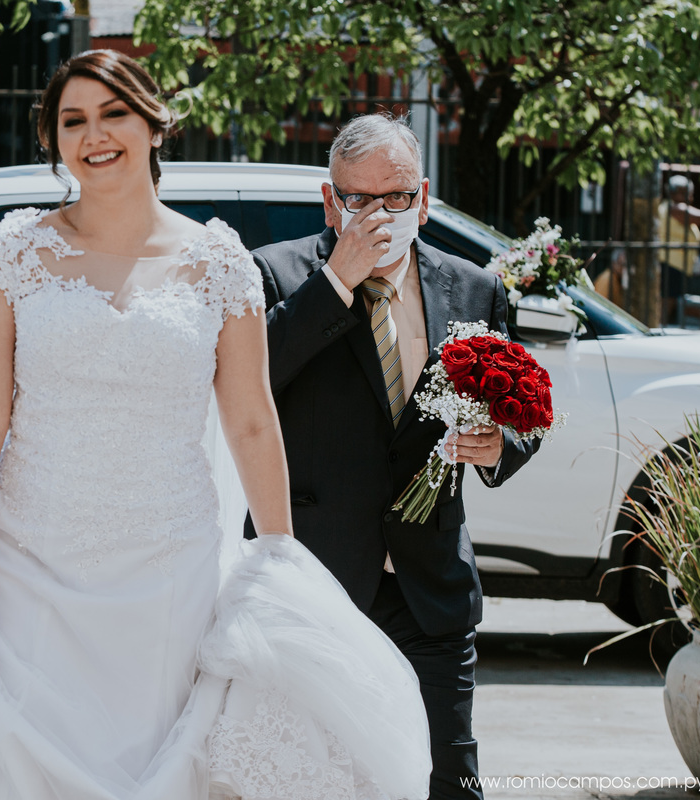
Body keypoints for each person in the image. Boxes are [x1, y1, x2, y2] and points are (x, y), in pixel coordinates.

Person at [0, 52, 430, 800]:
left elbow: (251, 421)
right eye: (73, 121)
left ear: (154, 125)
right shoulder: (9, 257)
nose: (94, 135)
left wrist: (279, 560)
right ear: (54, 140)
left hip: (171, 574)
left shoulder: (219, 263)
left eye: (114, 114)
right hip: (28, 568)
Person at [251, 113, 538, 800]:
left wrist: (499, 445)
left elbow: (522, 412)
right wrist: (336, 282)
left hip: (429, 586)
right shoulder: (276, 274)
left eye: (398, 197)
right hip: (316, 585)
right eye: (359, 199)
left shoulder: (474, 289)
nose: (380, 214)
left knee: (449, 781)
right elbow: (251, 387)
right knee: (320, 781)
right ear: (331, 202)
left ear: (424, 198)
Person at [657, 174, 700, 323]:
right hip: (671, 266)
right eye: (688, 193)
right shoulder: (676, 208)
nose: (690, 197)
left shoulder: (668, 207)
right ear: (677, 192)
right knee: (665, 306)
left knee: (669, 305)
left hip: (676, 267)